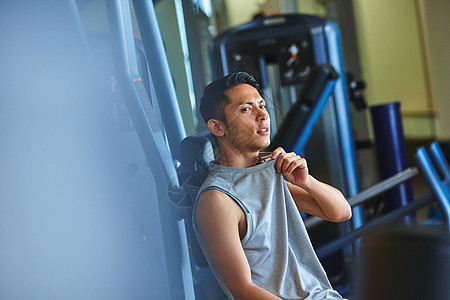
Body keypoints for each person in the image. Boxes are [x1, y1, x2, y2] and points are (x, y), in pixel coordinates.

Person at [193, 72, 352, 299]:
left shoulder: (270, 170)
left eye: (262, 106)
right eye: (246, 109)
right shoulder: (218, 199)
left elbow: (341, 212)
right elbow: (243, 290)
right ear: (218, 128)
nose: (262, 116)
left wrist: (307, 182)